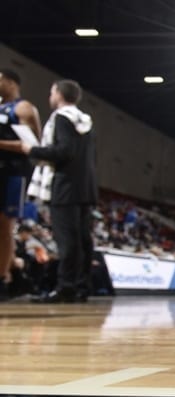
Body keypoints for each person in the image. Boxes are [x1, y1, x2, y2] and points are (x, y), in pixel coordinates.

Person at [14, 80, 96, 303]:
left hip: (64, 186)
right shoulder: (84, 121)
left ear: (58, 94)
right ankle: (81, 286)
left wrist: (32, 149)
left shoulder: (61, 118)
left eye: (51, 92)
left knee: (67, 240)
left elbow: (63, 151)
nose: (50, 96)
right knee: (81, 240)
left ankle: (66, 288)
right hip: (85, 186)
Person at [0, 68, 42, 299]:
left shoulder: (22, 108)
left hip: (14, 173)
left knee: (4, 226)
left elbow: (32, 144)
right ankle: (17, 275)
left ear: (11, 81)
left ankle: (3, 280)